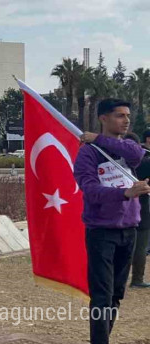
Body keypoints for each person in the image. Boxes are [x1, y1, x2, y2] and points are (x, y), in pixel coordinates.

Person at [74, 99, 150, 344]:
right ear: (103, 118)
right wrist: (124, 193)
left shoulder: (127, 147)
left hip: (129, 230)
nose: (126, 120)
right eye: (119, 115)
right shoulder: (87, 153)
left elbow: (136, 154)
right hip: (101, 232)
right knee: (102, 295)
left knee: (117, 293)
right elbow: (91, 190)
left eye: (127, 115)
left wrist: (97, 138)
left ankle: (102, 338)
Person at [131, 130, 150, 288]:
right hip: (142, 206)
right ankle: (137, 278)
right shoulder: (146, 160)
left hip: (121, 205)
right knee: (141, 245)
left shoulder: (118, 160)